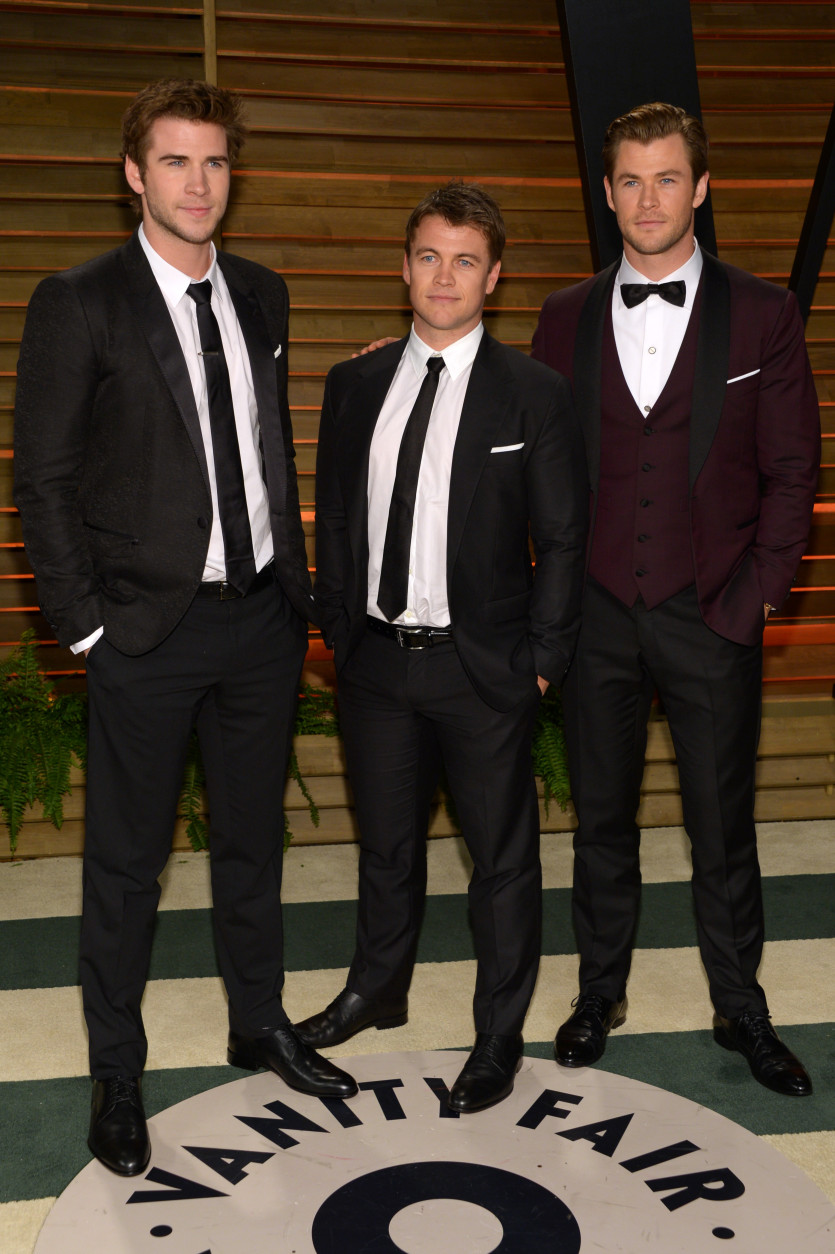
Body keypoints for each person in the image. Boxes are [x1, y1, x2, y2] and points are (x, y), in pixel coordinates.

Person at [13, 78, 357, 1178]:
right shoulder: (79, 302)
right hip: (143, 637)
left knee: (253, 847)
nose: (197, 182)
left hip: (259, 623)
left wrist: (295, 594)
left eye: (213, 162)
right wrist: (85, 634)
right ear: (134, 174)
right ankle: (119, 1069)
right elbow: (43, 481)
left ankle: (258, 1025)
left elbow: (264, 450)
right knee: (126, 867)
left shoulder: (263, 292)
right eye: (175, 161)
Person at [530, 102, 820, 1095]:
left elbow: (792, 475)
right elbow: (537, 467)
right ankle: (596, 993)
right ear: (605, 192)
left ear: (698, 188)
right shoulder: (561, 317)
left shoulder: (763, 314)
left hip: (712, 615)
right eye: (628, 179)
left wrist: (749, 603)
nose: (646, 198)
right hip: (597, 617)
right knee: (599, 822)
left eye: (666, 178)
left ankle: (741, 1006)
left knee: (720, 825)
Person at [295, 182, 587, 1113]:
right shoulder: (355, 383)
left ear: (493, 277)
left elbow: (564, 538)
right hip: (375, 661)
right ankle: (377, 988)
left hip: (485, 668)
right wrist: (338, 628)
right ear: (405, 265)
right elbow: (335, 513)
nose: (444, 275)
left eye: (465, 260)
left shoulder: (535, 394)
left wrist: (541, 658)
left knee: (500, 862)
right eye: (429, 255)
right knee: (385, 849)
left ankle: (497, 1036)